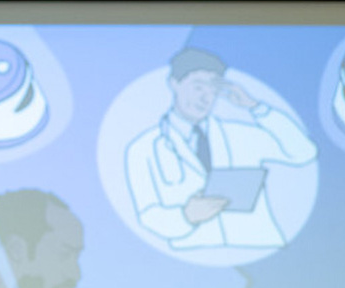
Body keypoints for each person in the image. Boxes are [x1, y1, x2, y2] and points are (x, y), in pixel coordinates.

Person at [125, 46, 317, 250]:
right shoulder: (143, 148)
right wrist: (185, 217)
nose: (206, 97)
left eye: (213, 89)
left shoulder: (241, 135)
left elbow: (303, 153)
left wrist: (255, 107)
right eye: (198, 87)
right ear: (174, 83)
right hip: (195, 258)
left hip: (259, 251)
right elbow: (148, 214)